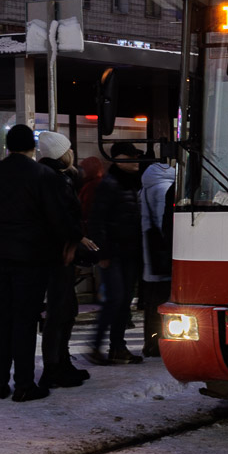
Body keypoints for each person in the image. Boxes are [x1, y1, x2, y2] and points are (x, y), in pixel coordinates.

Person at [0, 124, 75, 402]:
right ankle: (24, 384)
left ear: (7, 146)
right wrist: (70, 242)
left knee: (1, 317)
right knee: (25, 319)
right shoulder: (42, 175)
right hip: (30, 257)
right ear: (32, 147)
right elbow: (58, 216)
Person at [35, 131, 96, 389]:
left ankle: (61, 362)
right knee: (60, 311)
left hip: (55, 252)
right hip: (57, 253)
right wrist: (77, 238)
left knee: (65, 309)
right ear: (62, 154)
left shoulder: (53, 177)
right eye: (69, 150)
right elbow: (60, 217)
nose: (73, 154)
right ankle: (53, 367)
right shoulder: (55, 179)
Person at [87, 142, 146, 365]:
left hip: (129, 252)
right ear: (120, 159)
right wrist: (102, 253)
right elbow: (97, 221)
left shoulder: (127, 184)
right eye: (132, 157)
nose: (136, 161)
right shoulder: (110, 185)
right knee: (116, 300)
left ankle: (117, 348)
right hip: (114, 254)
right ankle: (99, 345)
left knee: (123, 301)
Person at [139, 159, 175, 357]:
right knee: (161, 300)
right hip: (161, 251)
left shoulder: (148, 185)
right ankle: (157, 344)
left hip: (151, 252)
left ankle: (151, 343)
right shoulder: (163, 187)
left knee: (152, 300)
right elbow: (165, 221)